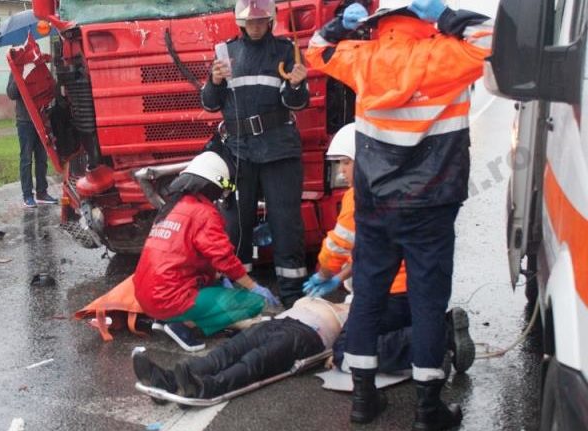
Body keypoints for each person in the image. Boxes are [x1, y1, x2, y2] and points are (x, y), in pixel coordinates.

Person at [306, 0, 492, 431]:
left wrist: (338, 24)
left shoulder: (362, 58)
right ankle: (428, 409)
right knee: (428, 304)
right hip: (431, 205)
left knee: (368, 298)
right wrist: (445, 16)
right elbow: (494, 40)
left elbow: (315, 48)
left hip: (376, 205)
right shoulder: (446, 54)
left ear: (382, 22)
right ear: (420, 18)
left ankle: (363, 399)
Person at [302, 123, 475, 377]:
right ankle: (431, 333)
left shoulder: (359, 196)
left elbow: (338, 248)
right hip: (418, 292)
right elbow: (367, 251)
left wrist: (325, 274)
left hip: (384, 294)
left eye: (345, 163)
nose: (341, 171)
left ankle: (439, 339)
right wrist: (341, 278)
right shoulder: (404, 187)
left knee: (346, 351)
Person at [133, 295, 473, 399]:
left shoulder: (364, 311)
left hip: (307, 337)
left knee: (253, 362)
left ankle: (207, 387)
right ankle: (171, 378)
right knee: (228, 351)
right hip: (282, 321)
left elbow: (357, 342)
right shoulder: (335, 296)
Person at [201, 0, 309, 307]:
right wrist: (215, 80)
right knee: (236, 226)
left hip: (279, 150)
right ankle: (240, 297)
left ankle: (293, 299)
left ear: (271, 21)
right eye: (250, 22)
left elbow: (295, 103)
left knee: (286, 224)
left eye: (261, 21)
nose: (255, 26)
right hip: (239, 152)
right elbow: (210, 104)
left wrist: (298, 85)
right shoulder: (225, 52)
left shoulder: (287, 51)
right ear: (240, 23)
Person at [133, 151, 280, 352]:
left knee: (217, 291)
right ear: (212, 185)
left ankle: (165, 319)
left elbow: (188, 255)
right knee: (254, 304)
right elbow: (223, 258)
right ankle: (181, 324)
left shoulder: (171, 207)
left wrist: (217, 278)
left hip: (146, 296)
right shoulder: (204, 212)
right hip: (171, 298)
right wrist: (253, 287)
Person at [6, 74, 58, 208]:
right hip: (25, 122)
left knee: (42, 158)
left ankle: (42, 193)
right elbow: (11, 94)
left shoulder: (37, 68)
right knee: (26, 159)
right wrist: (18, 76)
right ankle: (27, 196)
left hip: (40, 120)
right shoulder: (17, 70)